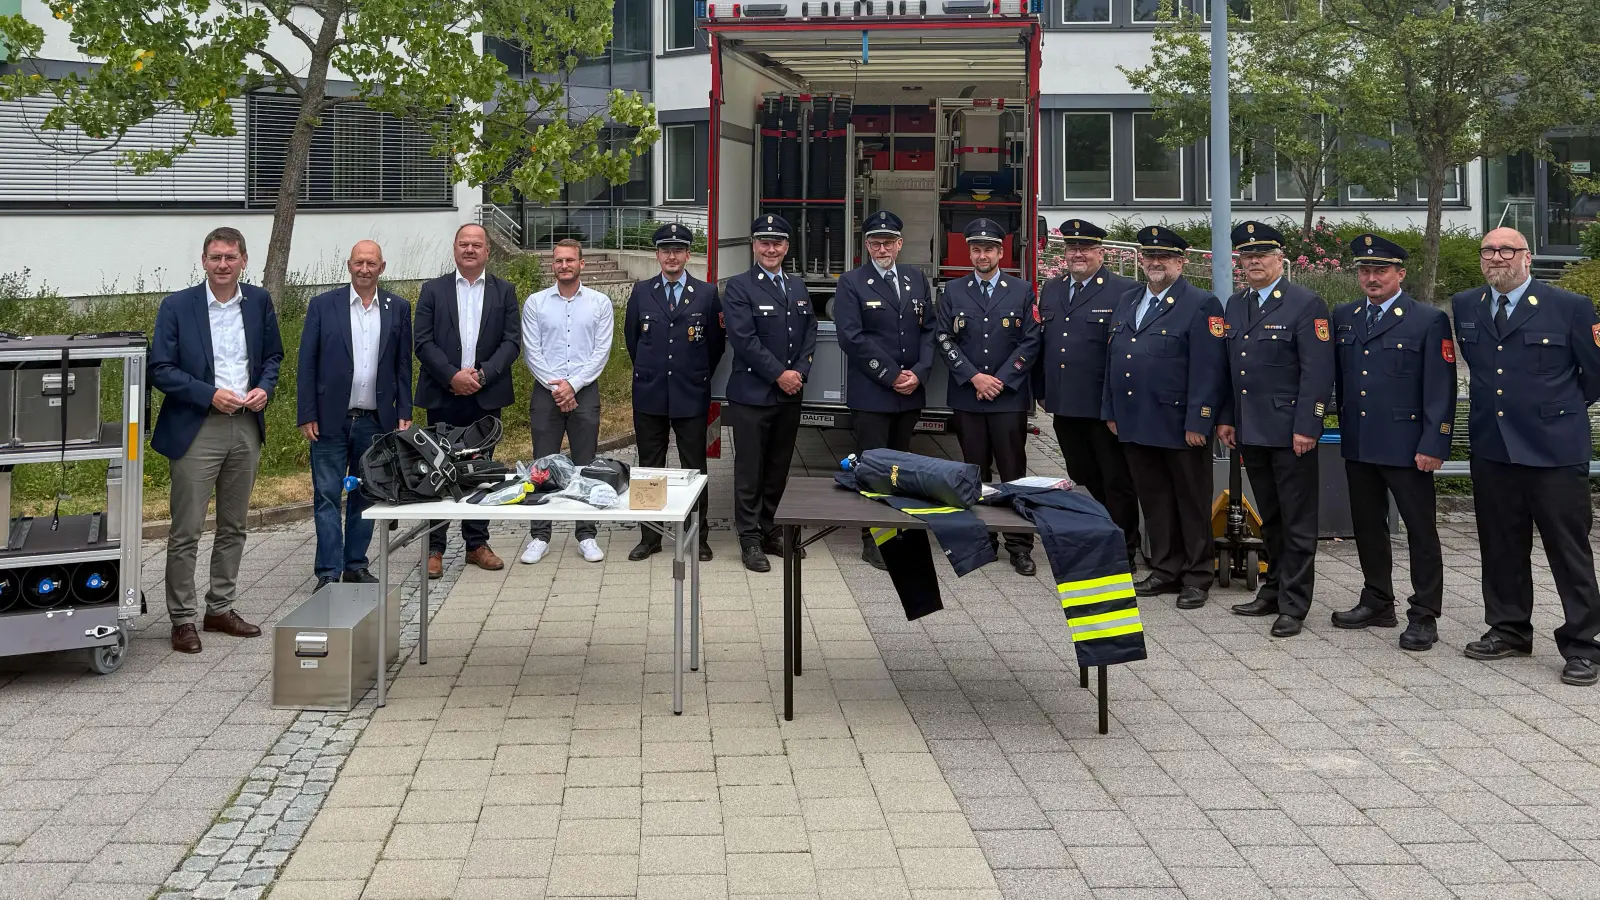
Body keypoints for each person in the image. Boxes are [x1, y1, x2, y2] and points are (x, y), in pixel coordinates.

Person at [1452, 226, 1600, 686]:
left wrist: (1555, 412)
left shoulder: (1569, 308)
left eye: (1506, 250)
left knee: (1568, 550)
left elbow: (1594, 377)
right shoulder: (1467, 305)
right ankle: (1509, 629)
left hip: (1553, 450)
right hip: (1494, 447)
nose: (1497, 257)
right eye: (1488, 251)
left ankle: (1584, 645)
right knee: (1500, 544)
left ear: (1527, 257)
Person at [150, 226, 284, 654]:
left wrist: (265, 386)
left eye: (230, 257)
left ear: (244, 260)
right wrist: (209, 394)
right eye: (215, 258)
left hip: (246, 424)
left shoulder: (259, 302)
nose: (222, 265)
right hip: (197, 426)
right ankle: (182, 618)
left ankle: (220, 608)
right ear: (203, 261)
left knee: (235, 525)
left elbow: (273, 356)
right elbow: (161, 369)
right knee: (186, 529)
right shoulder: (177, 306)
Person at [1329, 234, 1455, 651]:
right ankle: (1378, 600)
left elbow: (1440, 388)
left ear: (1400, 273)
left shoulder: (1426, 319)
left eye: (1380, 270)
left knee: (1421, 531)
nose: (1371, 277)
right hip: (1361, 442)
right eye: (1365, 270)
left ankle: (1424, 614)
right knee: (1367, 526)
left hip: (1408, 446)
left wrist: (1434, 443)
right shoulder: (1344, 315)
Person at [1217, 221, 1334, 638]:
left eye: (1261, 255)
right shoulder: (1236, 304)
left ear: (1279, 259)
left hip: (1291, 432)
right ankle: (1273, 588)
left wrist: (1308, 425)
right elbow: (1232, 371)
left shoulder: (1305, 304)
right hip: (1252, 429)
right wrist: (1228, 417)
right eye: (1247, 256)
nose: (1253, 262)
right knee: (1270, 517)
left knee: (1298, 520)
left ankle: (1294, 603)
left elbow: (1318, 373)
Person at [1102, 226, 1226, 610]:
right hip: (1135, 420)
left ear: (1181, 261)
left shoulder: (1202, 303)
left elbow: (1210, 370)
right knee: (1154, 499)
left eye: (1164, 257)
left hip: (1179, 424)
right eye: (1148, 256)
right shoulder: (1129, 299)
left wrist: (1199, 422)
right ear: (1140, 260)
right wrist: (1110, 410)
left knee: (1190, 500)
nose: (1155, 263)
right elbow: (1113, 357)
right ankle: (1165, 567)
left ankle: (1197, 574)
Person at [298, 240, 414, 592]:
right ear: (349, 265)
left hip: (376, 421)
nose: (364, 269)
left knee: (366, 494)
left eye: (371, 263)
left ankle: (356, 566)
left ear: (382, 267)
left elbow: (403, 365)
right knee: (328, 495)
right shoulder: (323, 306)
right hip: (330, 419)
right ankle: (329, 572)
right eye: (358, 263)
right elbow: (307, 363)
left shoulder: (397, 307)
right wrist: (306, 413)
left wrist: (404, 411)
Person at [414, 223, 521, 578]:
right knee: (436, 469)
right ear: (455, 249)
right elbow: (423, 342)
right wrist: (452, 376)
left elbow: (511, 343)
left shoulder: (504, 291)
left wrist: (483, 375)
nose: (470, 250)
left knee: (481, 472)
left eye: (477, 244)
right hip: (442, 394)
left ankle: (476, 544)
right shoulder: (433, 290)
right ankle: (435, 548)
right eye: (464, 244)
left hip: (486, 395)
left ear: (488, 251)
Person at [832, 209, 936, 569]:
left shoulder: (915, 278)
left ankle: (898, 529)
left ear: (900, 244)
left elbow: (929, 330)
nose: (882, 248)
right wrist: (891, 374)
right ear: (867, 245)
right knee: (874, 466)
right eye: (876, 242)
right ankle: (872, 538)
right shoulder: (852, 282)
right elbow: (851, 337)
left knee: (900, 466)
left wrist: (920, 373)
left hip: (910, 392)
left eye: (888, 242)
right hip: (874, 392)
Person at [1036, 218, 1142, 570]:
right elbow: (1045, 343)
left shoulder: (1124, 290)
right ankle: (1096, 536)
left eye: (1085, 248)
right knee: (1081, 475)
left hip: (1103, 404)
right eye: (1071, 248)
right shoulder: (1051, 288)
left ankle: (1124, 547)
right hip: (1065, 404)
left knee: (1116, 480)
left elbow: (1127, 350)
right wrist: (1041, 390)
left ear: (1101, 252)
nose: (1077, 254)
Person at [937, 218, 1040, 575]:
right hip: (968, 397)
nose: (982, 255)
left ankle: (1019, 544)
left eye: (989, 249)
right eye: (976, 249)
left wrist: (1000, 379)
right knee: (974, 471)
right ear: (970, 253)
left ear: (1000, 252)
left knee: (1013, 472)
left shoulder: (1022, 290)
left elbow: (1031, 340)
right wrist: (974, 377)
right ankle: (982, 540)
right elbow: (944, 339)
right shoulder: (953, 291)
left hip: (1007, 398)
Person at [723, 214, 817, 573]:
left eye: (777, 243)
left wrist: (800, 372)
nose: (771, 248)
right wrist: (781, 374)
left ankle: (771, 529)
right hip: (752, 395)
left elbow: (809, 334)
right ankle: (748, 539)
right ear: (754, 246)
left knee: (778, 467)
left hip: (788, 395)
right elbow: (744, 341)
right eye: (764, 242)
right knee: (750, 469)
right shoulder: (739, 287)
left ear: (787, 248)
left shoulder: (796, 286)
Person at [624, 224, 723, 563]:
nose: (671, 256)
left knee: (694, 468)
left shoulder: (707, 294)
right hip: (650, 393)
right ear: (657, 255)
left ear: (687, 255)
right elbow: (633, 342)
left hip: (691, 393)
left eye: (678, 250)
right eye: (666, 250)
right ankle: (650, 536)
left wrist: (692, 373)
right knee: (650, 467)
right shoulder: (641, 292)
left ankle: (700, 536)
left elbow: (715, 346)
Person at [520, 239, 615, 565]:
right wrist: (558, 388)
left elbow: (600, 352)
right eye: (558, 260)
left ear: (581, 264)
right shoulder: (535, 303)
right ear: (553, 265)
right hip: (545, 392)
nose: (564, 265)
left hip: (585, 391)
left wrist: (572, 386)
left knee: (585, 464)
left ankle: (586, 534)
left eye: (570, 260)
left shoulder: (600, 303)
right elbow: (532, 352)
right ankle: (539, 536)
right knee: (541, 467)